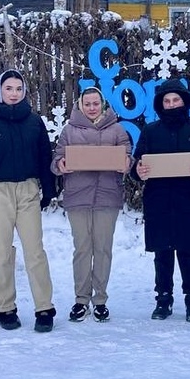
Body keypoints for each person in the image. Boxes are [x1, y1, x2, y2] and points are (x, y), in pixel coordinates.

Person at [0, 70, 59, 333]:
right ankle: (5, 307)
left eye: (19, 88)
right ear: (0, 91)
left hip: (27, 190)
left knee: (35, 251)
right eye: (9, 88)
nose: (14, 93)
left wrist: (48, 190)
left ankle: (44, 308)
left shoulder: (33, 121)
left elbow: (44, 156)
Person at [131, 79, 190, 322]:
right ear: (160, 105)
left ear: (184, 101)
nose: (171, 104)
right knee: (162, 253)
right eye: (166, 101)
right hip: (158, 201)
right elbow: (137, 163)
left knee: (189, 252)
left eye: (175, 100)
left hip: (189, 201)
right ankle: (163, 299)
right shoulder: (150, 131)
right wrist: (138, 171)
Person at [52, 86, 131, 322]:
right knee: (82, 249)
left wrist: (126, 163)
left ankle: (100, 300)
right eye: (87, 104)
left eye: (96, 103)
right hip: (78, 198)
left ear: (103, 104)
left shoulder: (117, 129)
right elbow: (56, 159)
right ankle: (81, 300)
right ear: (80, 105)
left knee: (103, 249)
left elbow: (128, 156)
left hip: (107, 196)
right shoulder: (69, 130)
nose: (92, 108)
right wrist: (60, 164)